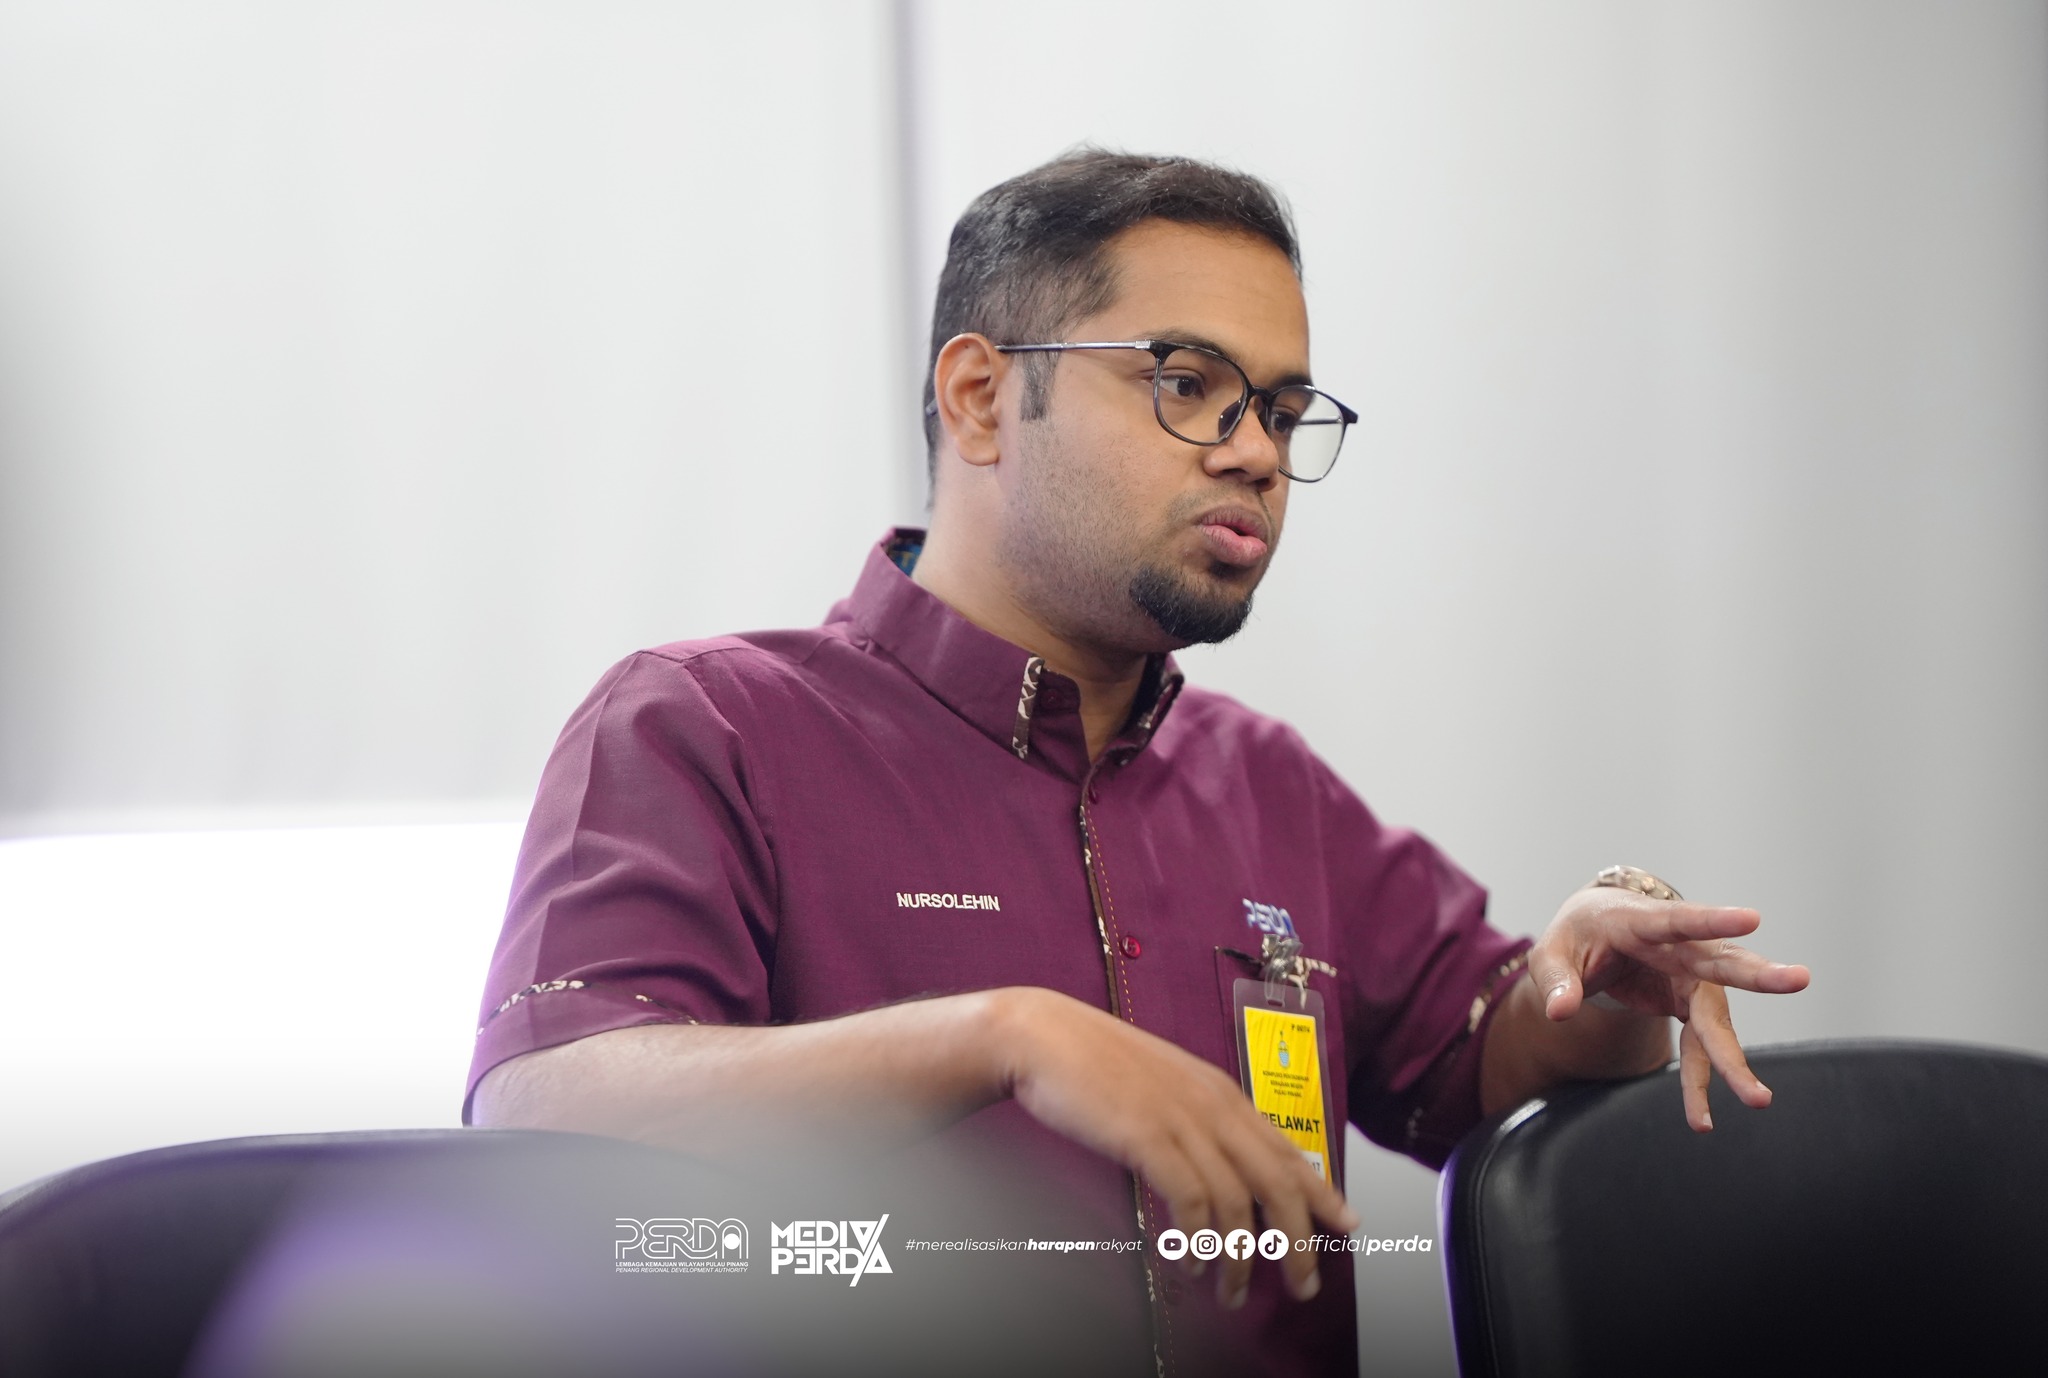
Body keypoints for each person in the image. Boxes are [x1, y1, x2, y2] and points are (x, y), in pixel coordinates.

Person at [464, 150, 1809, 1375]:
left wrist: (1598, 979)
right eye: (1187, 385)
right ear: (982, 397)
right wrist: (1001, 1036)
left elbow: (1487, 1067)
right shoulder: (709, 726)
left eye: (1282, 409)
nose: (1257, 453)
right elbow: (546, 1113)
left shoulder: (1268, 786)